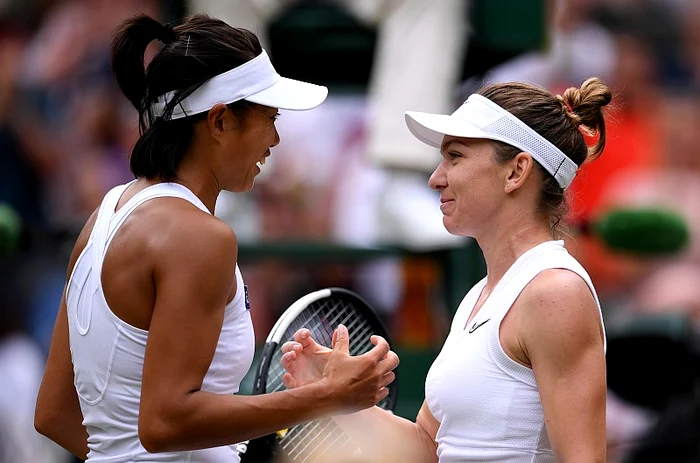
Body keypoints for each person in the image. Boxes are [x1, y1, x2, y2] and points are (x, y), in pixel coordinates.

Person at [33, 13, 399, 463]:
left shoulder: (102, 216)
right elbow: (165, 422)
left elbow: (53, 413)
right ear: (221, 122)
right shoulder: (200, 237)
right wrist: (327, 397)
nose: (277, 138)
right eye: (270, 117)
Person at [281, 77, 611, 462]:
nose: (436, 178)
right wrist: (332, 395)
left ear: (516, 172)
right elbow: (427, 447)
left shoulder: (556, 293)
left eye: (455, 157)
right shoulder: (479, 295)